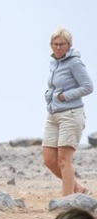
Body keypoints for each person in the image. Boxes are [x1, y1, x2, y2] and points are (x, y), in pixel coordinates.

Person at [42, 27, 93, 197]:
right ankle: (78, 189)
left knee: (64, 160)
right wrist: (50, 96)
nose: (58, 47)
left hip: (71, 115)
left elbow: (88, 87)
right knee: (49, 160)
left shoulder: (74, 62)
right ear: (51, 45)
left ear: (69, 45)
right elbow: (55, 86)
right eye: (55, 44)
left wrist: (65, 96)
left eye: (62, 44)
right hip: (53, 115)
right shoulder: (54, 62)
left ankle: (67, 201)